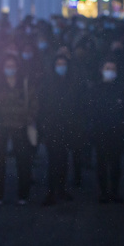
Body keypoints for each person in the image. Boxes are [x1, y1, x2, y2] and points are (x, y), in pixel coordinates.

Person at [0, 55, 38, 206]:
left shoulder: (25, 84)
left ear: (17, 67)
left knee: (23, 162)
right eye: (7, 65)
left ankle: (23, 194)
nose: (10, 68)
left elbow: (34, 103)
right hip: (1, 126)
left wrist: (28, 118)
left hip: (20, 126)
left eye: (12, 65)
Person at [38, 55, 79, 206]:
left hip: (67, 127)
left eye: (63, 63)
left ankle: (61, 189)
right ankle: (51, 191)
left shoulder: (72, 83)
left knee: (63, 160)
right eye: (58, 63)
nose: (61, 66)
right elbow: (41, 106)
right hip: (52, 126)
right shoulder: (47, 84)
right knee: (53, 161)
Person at [89, 60, 124, 204]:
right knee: (101, 162)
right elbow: (92, 110)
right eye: (107, 68)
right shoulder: (96, 89)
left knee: (116, 163)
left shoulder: (121, 89)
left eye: (113, 68)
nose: (110, 70)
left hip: (117, 131)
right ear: (101, 70)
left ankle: (114, 191)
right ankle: (104, 192)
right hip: (101, 131)